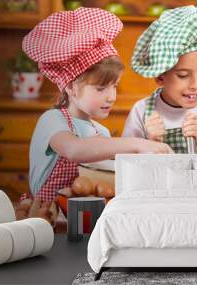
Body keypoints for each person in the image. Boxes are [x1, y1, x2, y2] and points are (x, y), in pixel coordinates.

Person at [18, 8, 172, 219]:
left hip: (86, 218)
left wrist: (150, 143)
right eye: (101, 89)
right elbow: (74, 149)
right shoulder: (53, 120)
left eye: (115, 86)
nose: (111, 96)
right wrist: (138, 143)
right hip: (46, 217)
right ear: (71, 87)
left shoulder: (101, 132)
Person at [123, 6, 197, 154]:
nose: (195, 85)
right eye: (183, 75)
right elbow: (127, 166)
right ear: (159, 76)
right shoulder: (141, 111)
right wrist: (151, 144)